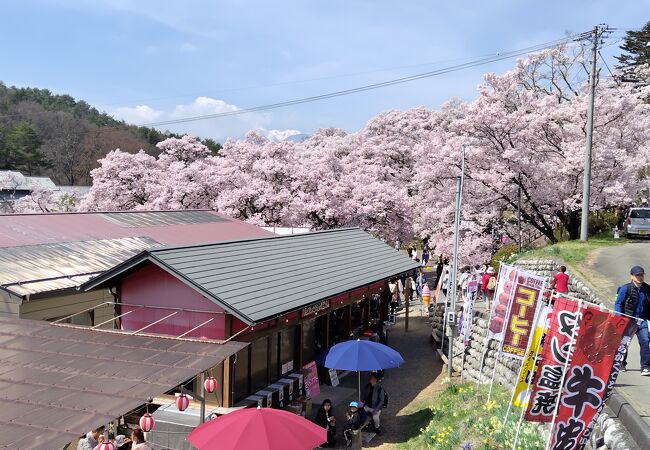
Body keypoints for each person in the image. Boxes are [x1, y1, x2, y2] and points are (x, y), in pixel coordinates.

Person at [615, 266, 650, 375]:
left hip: (641, 321)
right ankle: (622, 363)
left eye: (642, 274)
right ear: (631, 276)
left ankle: (645, 367)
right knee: (624, 343)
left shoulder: (647, 289)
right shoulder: (625, 288)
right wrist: (619, 318)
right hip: (628, 320)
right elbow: (618, 304)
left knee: (645, 342)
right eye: (637, 275)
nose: (640, 277)